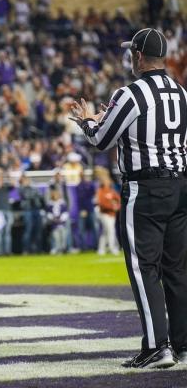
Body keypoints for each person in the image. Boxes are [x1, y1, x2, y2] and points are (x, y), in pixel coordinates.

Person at [71, 28, 187, 368]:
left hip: (145, 188)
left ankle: (156, 347)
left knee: (143, 267)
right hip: (180, 186)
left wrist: (87, 121)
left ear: (137, 56)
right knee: (177, 269)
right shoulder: (181, 93)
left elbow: (102, 139)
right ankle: (182, 344)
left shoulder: (131, 94)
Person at [19, 175, 44, 254]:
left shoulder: (33, 188)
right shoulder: (21, 188)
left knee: (38, 230)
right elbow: (26, 195)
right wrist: (34, 194)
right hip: (28, 210)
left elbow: (40, 195)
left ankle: (38, 249)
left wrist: (34, 194)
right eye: (25, 180)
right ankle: (26, 250)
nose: (27, 182)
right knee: (28, 230)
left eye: (27, 180)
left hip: (36, 209)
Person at [96, 177, 120, 256]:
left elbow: (119, 200)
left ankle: (101, 249)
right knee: (111, 230)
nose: (107, 182)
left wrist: (117, 206)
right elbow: (101, 204)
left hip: (112, 214)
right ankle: (112, 248)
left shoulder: (111, 191)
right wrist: (112, 207)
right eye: (105, 181)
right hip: (104, 214)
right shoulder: (101, 191)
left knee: (106, 232)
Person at [75, 172, 98, 251]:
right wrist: (81, 210)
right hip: (83, 210)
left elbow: (94, 194)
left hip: (90, 209)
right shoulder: (78, 186)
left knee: (94, 229)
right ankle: (83, 247)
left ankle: (96, 246)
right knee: (82, 230)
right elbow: (79, 200)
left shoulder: (90, 185)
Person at [0, 170, 14, 256]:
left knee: (7, 232)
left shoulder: (6, 186)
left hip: (7, 210)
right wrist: (0, 178)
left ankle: (7, 251)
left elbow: (13, 184)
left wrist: (9, 177)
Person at [46, 190, 68, 254]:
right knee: (56, 237)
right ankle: (56, 248)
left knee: (63, 236)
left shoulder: (62, 203)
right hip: (54, 223)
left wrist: (61, 219)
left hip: (62, 223)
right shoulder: (50, 204)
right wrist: (53, 218)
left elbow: (65, 212)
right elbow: (48, 213)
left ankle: (63, 248)